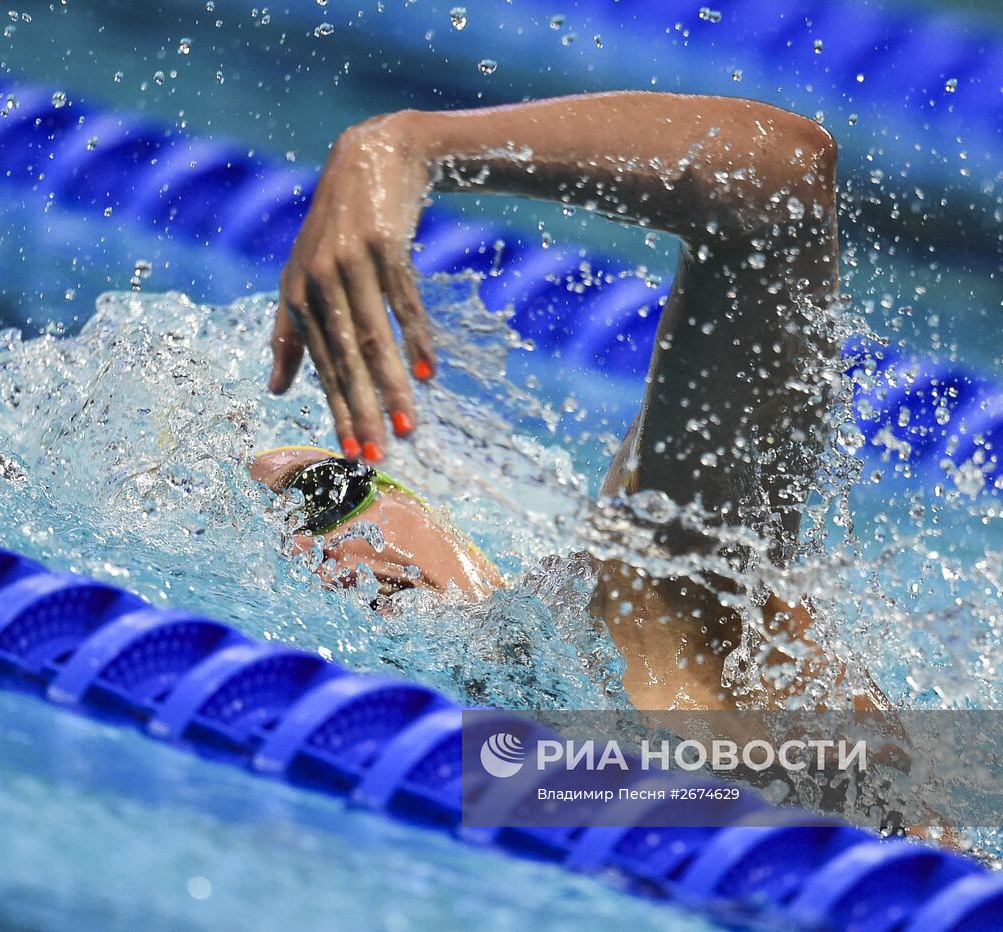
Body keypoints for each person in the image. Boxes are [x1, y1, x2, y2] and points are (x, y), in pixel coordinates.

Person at [256, 92, 878, 714]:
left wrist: (407, 147)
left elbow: (777, 182)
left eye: (333, 492)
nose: (323, 553)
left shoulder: (645, 606)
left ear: (463, 543)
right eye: (287, 536)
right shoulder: (566, 681)